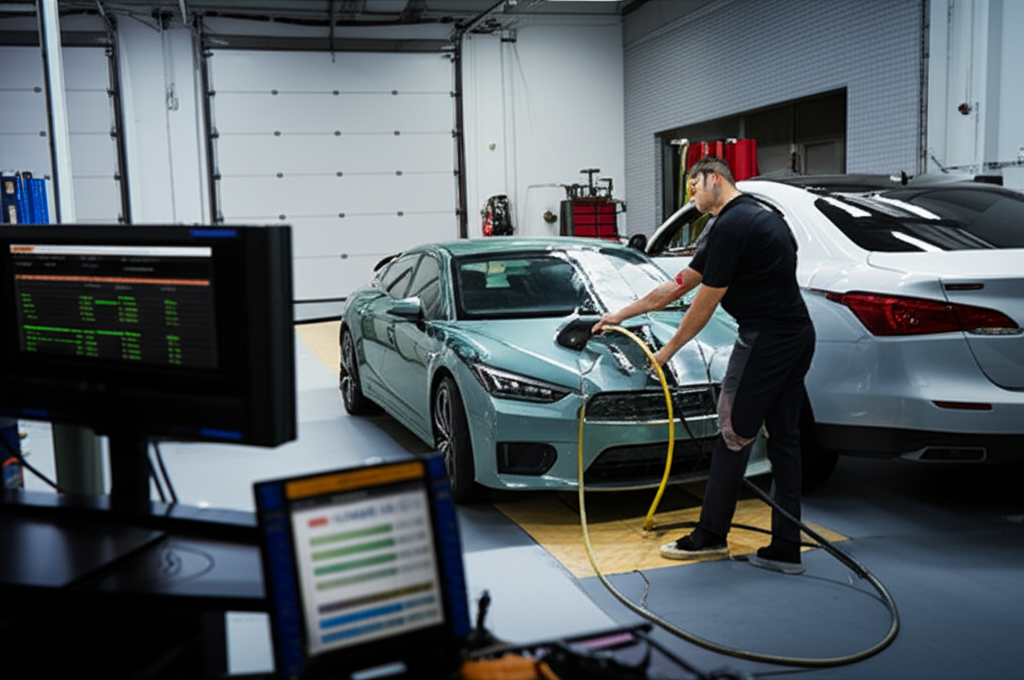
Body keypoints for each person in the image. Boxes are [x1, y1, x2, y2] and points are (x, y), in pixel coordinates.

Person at [592, 156, 816, 575]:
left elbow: (703, 304)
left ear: (714, 178)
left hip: (765, 340)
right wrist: (619, 316)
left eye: (693, 184)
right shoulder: (755, 218)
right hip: (797, 336)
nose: (691, 193)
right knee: (785, 439)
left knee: (731, 435)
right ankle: (787, 549)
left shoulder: (731, 225)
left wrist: (665, 352)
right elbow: (676, 286)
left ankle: (710, 537)